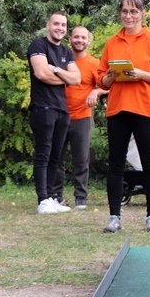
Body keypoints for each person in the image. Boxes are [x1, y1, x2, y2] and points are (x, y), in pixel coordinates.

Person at [97, 0, 150, 233]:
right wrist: (109, 76)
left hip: (145, 108)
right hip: (118, 109)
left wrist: (141, 74)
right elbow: (102, 81)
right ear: (120, 13)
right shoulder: (112, 42)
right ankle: (114, 217)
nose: (128, 16)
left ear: (142, 13)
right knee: (116, 164)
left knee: (149, 163)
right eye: (124, 11)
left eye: (133, 11)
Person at [28, 12, 81, 215]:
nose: (60, 27)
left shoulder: (66, 52)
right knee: (43, 153)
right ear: (48, 25)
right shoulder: (38, 46)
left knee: (56, 156)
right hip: (43, 108)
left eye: (63, 25)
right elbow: (41, 73)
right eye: (56, 24)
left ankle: (51, 197)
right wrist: (65, 76)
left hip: (62, 108)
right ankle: (42, 200)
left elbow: (77, 79)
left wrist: (57, 71)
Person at [52, 25, 103, 210]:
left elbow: (108, 85)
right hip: (60, 115)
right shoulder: (62, 59)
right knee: (57, 157)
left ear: (88, 41)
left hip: (82, 116)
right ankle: (56, 196)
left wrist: (96, 91)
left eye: (83, 37)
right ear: (70, 39)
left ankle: (81, 197)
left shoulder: (94, 63)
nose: (79, 40)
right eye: (76, 37)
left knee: (81, 159)